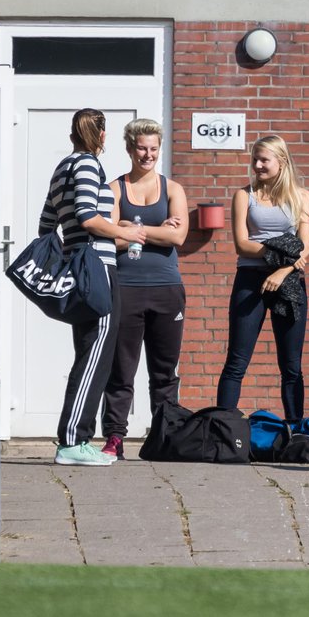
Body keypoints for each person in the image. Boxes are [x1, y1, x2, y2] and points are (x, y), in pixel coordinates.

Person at [39, 108, 145, 466]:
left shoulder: (62, 168)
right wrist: (124, 232)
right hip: (97, 269)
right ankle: (73, 441)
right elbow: (87, 216)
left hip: (81, 268)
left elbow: (46, 225)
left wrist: (75, 247)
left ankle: (74, 439)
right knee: (95, 355)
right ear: (101, 135)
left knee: (89, 351)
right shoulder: (86, 165)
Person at [99, 118, 189, 460]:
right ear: (129, 148)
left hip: (167, 289)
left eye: (153, 149)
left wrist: (131, 228)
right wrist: (155, 229)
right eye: (141, 148)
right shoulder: (115, 189)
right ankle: (115, 439)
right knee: (121, 368)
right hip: (126, 288)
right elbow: (109, 239)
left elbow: (178, 237)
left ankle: (166, 438)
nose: (147, 155)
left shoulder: (172, 189)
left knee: (164, 372)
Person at [216, 135, 309, 425]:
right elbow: (242, 245)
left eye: (264, 160)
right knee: (236, 360)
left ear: (281, 162)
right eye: (255, 160)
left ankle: (295, 429)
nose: (257, 165)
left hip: (289, 282)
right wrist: (284, 253)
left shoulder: (302, 197)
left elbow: (305, 246)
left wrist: (282, 271)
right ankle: (223, 427)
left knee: (291, 365)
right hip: (249, 280)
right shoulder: (243, 196)